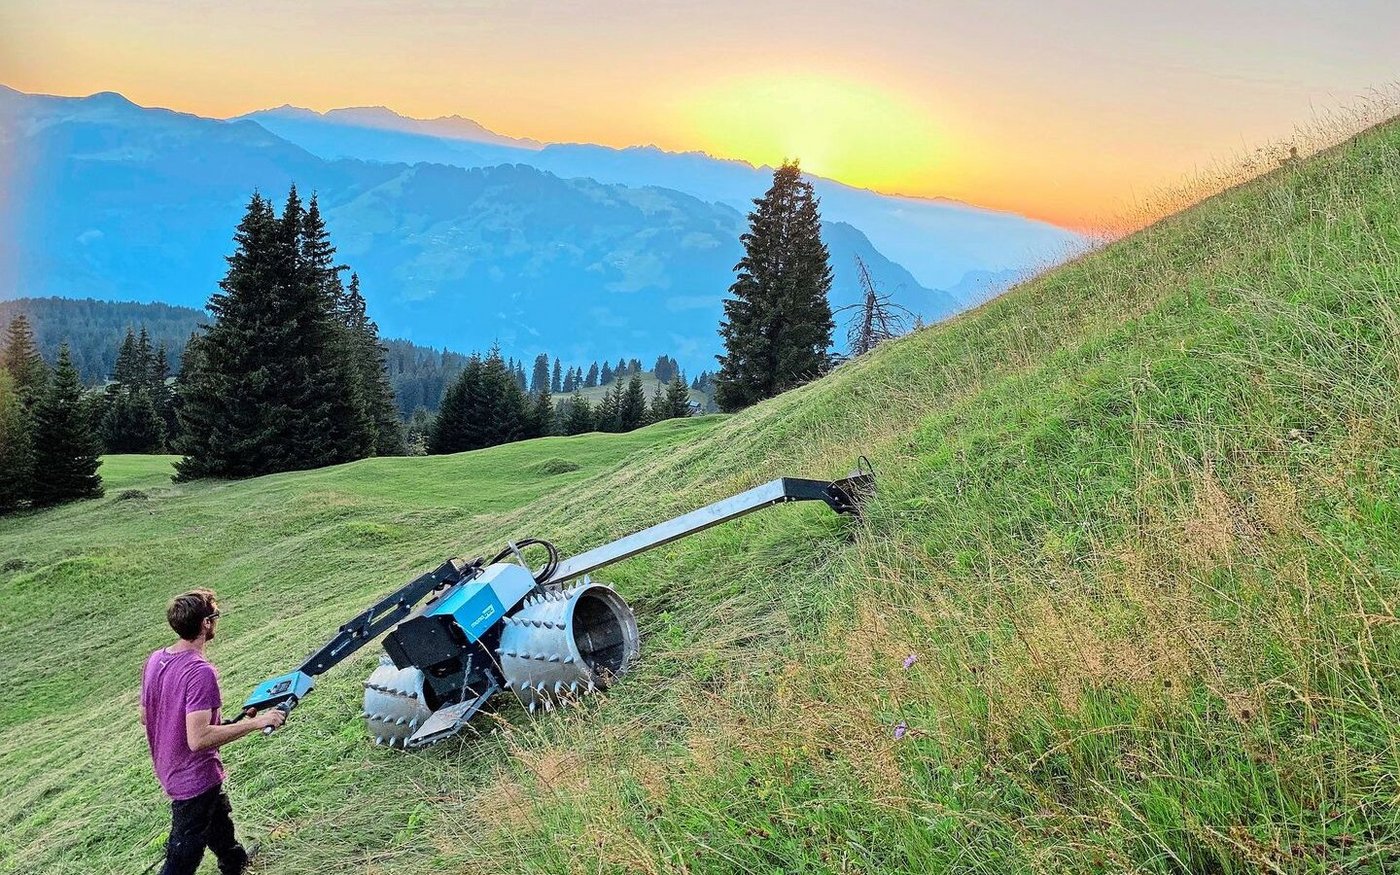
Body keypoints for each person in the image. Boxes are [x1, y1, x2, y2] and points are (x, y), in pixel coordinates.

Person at [140, 589, 285, 875]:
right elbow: (198, 739)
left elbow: (146, 716)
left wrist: (230, 722)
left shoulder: (156, 659)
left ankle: (235, 863)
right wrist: (257, 723)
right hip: (191, 777)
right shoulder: (200, 671)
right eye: (216, 615)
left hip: (171, 765)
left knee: (218, 816)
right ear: (206, 623)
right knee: (182, 855)